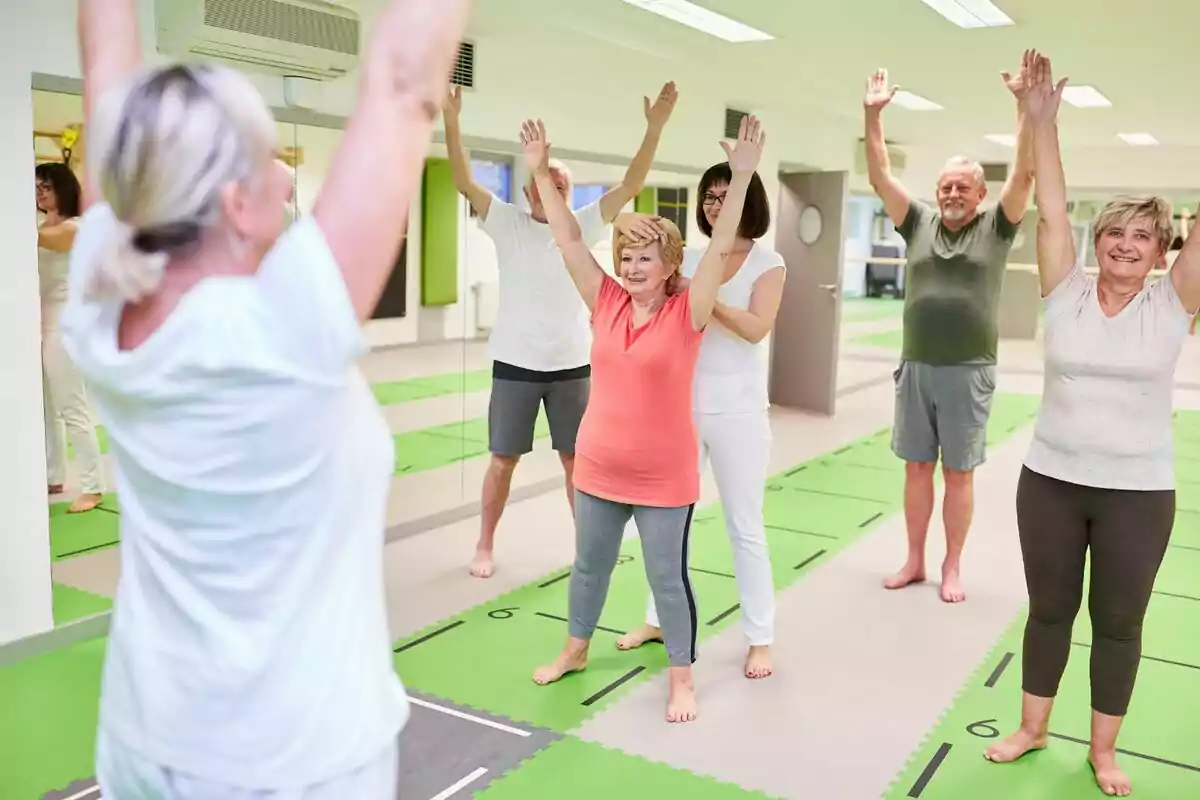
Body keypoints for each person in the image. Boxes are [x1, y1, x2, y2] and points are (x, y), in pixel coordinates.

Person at [66, 0, 468, 796]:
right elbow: (401, 83)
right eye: (270, 162)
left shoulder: (99, 296)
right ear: (234, 206)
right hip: (299, 765)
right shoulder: (287, 329)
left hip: (147, 745)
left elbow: (103, 63)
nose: (289, 175)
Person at [983, 54, 1200, 798]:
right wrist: (1041, 122)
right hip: (1050, 482)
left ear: (1163, 249)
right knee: (1049, 613)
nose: (1127, 244)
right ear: (1098, 239)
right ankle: (1032, 727)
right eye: (1116, 231)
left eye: (1145, 235)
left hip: (1137, 493)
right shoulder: (1063, 292)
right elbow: (1049, 207)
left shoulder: (1172, 304)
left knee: (1118, 624)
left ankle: (1103, 751)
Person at [527, 113, 767, 723]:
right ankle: (574, 649)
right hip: (600, 466)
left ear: (669, 266)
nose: (632, 267)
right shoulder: (604, 301)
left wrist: (740, 179)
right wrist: (538, 174)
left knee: (667, 578)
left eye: (645, 258)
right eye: (627, 256)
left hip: (664, 476)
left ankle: (682, 677)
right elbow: (570, 242)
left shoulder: (689, 310)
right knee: (589, 566)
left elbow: (717, 251)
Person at [442, 82, 678, 579]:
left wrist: (654, 128)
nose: (546, 193)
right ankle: (484, 545)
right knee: (502, 462)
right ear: (527, 190)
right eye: (537, 185)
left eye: (559, 186)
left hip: (572, 365)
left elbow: (632, 183)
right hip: (516, 366)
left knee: (578, 464)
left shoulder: (583, 225)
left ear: (567, 193)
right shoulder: (506, 222)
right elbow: (463, 178)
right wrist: (451, 118)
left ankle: (587, 552)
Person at [864, 53, 1037, 603]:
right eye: (946, 187)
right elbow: (879, 175)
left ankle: (952, 565)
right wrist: (873, 117)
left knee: (957, 474)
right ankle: (914, 559)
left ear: (980, 193)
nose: (954, 194)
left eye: (964, 187)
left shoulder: (999, 226)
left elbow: (1025, 173)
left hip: (968, 370)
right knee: (917, 468)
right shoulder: (916, 221)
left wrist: (1023, 110)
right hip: (916, 366)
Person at [614, 161, 785, 680]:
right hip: (681, 408)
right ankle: (656, 617)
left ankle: (760, 637)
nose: (714, 204)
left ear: (748, 199)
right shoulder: (684, 256)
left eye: (725, 194)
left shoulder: (768, 263)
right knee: (667, 523)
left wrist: (703, 295)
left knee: (744, 526)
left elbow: (756, 329)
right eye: (708, 196)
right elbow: (624, 236)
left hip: (738, 412)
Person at [36, 162, 106, 513]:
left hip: (64, 326)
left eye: (45, 186)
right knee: (45, 409)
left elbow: (44, 239)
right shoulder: (38, 227)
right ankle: (53, 475)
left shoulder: (75, 228)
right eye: (35, 187)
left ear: (62, 189)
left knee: (71, 407)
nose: (38, 193)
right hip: (39, 324)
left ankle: (93, 487)